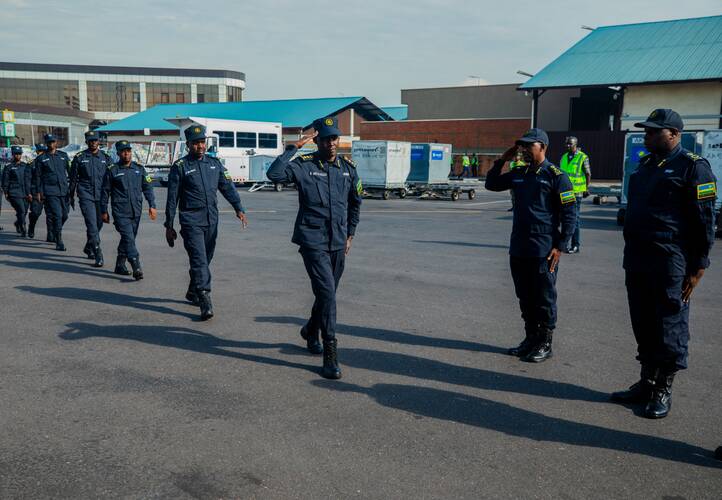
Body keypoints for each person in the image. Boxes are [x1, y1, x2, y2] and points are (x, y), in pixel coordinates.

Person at [611, 109, 716, 419]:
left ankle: (662, 388)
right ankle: (646, 382)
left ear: (674, 134)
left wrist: (699, 265)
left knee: (669, 324)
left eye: (654, 131)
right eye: (646, 130)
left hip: (670, 260)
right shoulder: (646, 164)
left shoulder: (693, 167)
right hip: (638, 258)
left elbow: (704, 220)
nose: (647, 135)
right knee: (642, 322)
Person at [266, 116, 362, 379]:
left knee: (326, 295)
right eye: (326, 139)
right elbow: (274, 174)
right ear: (317, 141)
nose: (331, 144)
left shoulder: (348, 168)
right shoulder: (304, 166)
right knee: (328, 293)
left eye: (334, 138)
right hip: (313, 241)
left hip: (338, 241)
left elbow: (355, 203)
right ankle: (330, 351)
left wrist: (351, 234)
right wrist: (294, 147)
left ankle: (310, 330)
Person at [485, 128, 576, 363]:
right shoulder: (519, 173)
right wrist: (502, 160)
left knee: (544, 297)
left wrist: (561, 246)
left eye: (529, 145)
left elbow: (570, 213)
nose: (524, 149)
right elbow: (491, 184)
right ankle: (530, 338)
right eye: (522, 145)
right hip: (519, 245)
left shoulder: (556, 176)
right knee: (524, 296)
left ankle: (545, 343)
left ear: (542, 147)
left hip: (543, 247)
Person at [165, 125, 248, 320]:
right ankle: (204, 297)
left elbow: (227, 187)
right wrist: (169, 225)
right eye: (196, 143)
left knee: (206, 258)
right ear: (188, 145)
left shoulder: (214, 164)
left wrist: (238, 208)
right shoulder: (180, 166)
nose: (200, 146)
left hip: (211, 219)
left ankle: (193, 289)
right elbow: (172, 198)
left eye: (202, 142)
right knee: (199, 259)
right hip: (191, 220)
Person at [100, 141, 156, 280]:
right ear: (118, 153)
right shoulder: (112, 170)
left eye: (128, 151)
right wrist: (104, 211)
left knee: (129, 238)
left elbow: (148, 187)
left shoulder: (139, 169)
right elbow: (105, 192)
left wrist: (152, 205)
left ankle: (120, 264)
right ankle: (136, 265)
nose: (126, 153)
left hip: (136, 210)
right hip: (120, 212)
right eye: (123, 151)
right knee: (129, 238)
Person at [70, 130, 112, 267]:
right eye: (90, 141)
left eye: (95, 140)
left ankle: (89, 246)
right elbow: (73, 178)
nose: (93, 143)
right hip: (86, 195)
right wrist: (70, 195)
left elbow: (112, 178)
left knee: (99, 224)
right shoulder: (80, 157)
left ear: (98, 142)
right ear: (86, 142)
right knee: (92, 225)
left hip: (101, 196)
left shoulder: (106, 158)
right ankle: (98, 253)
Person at [32, 133, 71, 251]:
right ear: (46, 143)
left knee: (65, 215)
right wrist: (39, 192)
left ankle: (54, 230)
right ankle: (59, 240)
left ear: (56, 142)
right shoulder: (41, 159)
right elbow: (38, 177)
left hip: (64, 190)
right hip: (50, 191)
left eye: (53, 142)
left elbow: (70, 172)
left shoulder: (63, 156)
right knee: (57, 215)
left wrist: (72, 188)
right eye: (49, 142)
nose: (51, 144)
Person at [559, 136, 591, 253]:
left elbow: (588, 173)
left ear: (575, 145)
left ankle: (575, 245)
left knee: (575, 219)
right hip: (565, 192)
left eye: (570, 144)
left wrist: (586, 188)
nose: (567, 146)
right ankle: (564, 244)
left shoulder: (583, 157)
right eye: (566, 144)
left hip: (577, 192)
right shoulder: (564, 157)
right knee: (565, 218)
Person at [1, 146, 32, 237]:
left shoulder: (25, 166)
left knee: (24, 211)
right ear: (13, 155)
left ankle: (18, 223)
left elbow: (29, 179)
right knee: (21, 210)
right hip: (14, 192)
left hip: (25, 192)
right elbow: (5, 181)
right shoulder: (9, 167)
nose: (17, 156)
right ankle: (23, 227)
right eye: (16, 154)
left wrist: (30, 191)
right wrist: (6, 192)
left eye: (19, 154)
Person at [27, 143, 49, 239]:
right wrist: (28, 193)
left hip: (48, 191)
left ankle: (51, 234)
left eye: (43, 151)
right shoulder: (32, 164)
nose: (42, 153)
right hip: (35, 191)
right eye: (40, 151)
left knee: (51, 215)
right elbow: (28, 180)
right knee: (36, 212)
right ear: (36, 152)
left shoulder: (49, 162)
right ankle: (31, 226)